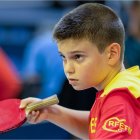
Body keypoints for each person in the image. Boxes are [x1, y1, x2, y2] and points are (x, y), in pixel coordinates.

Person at [19, 3, 140, 139]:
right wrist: (50, 111)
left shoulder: (119, 101)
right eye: (64, 57)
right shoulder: (124, 84)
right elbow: (98, 124)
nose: (68, 69)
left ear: (112, 54)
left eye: (78, 57)